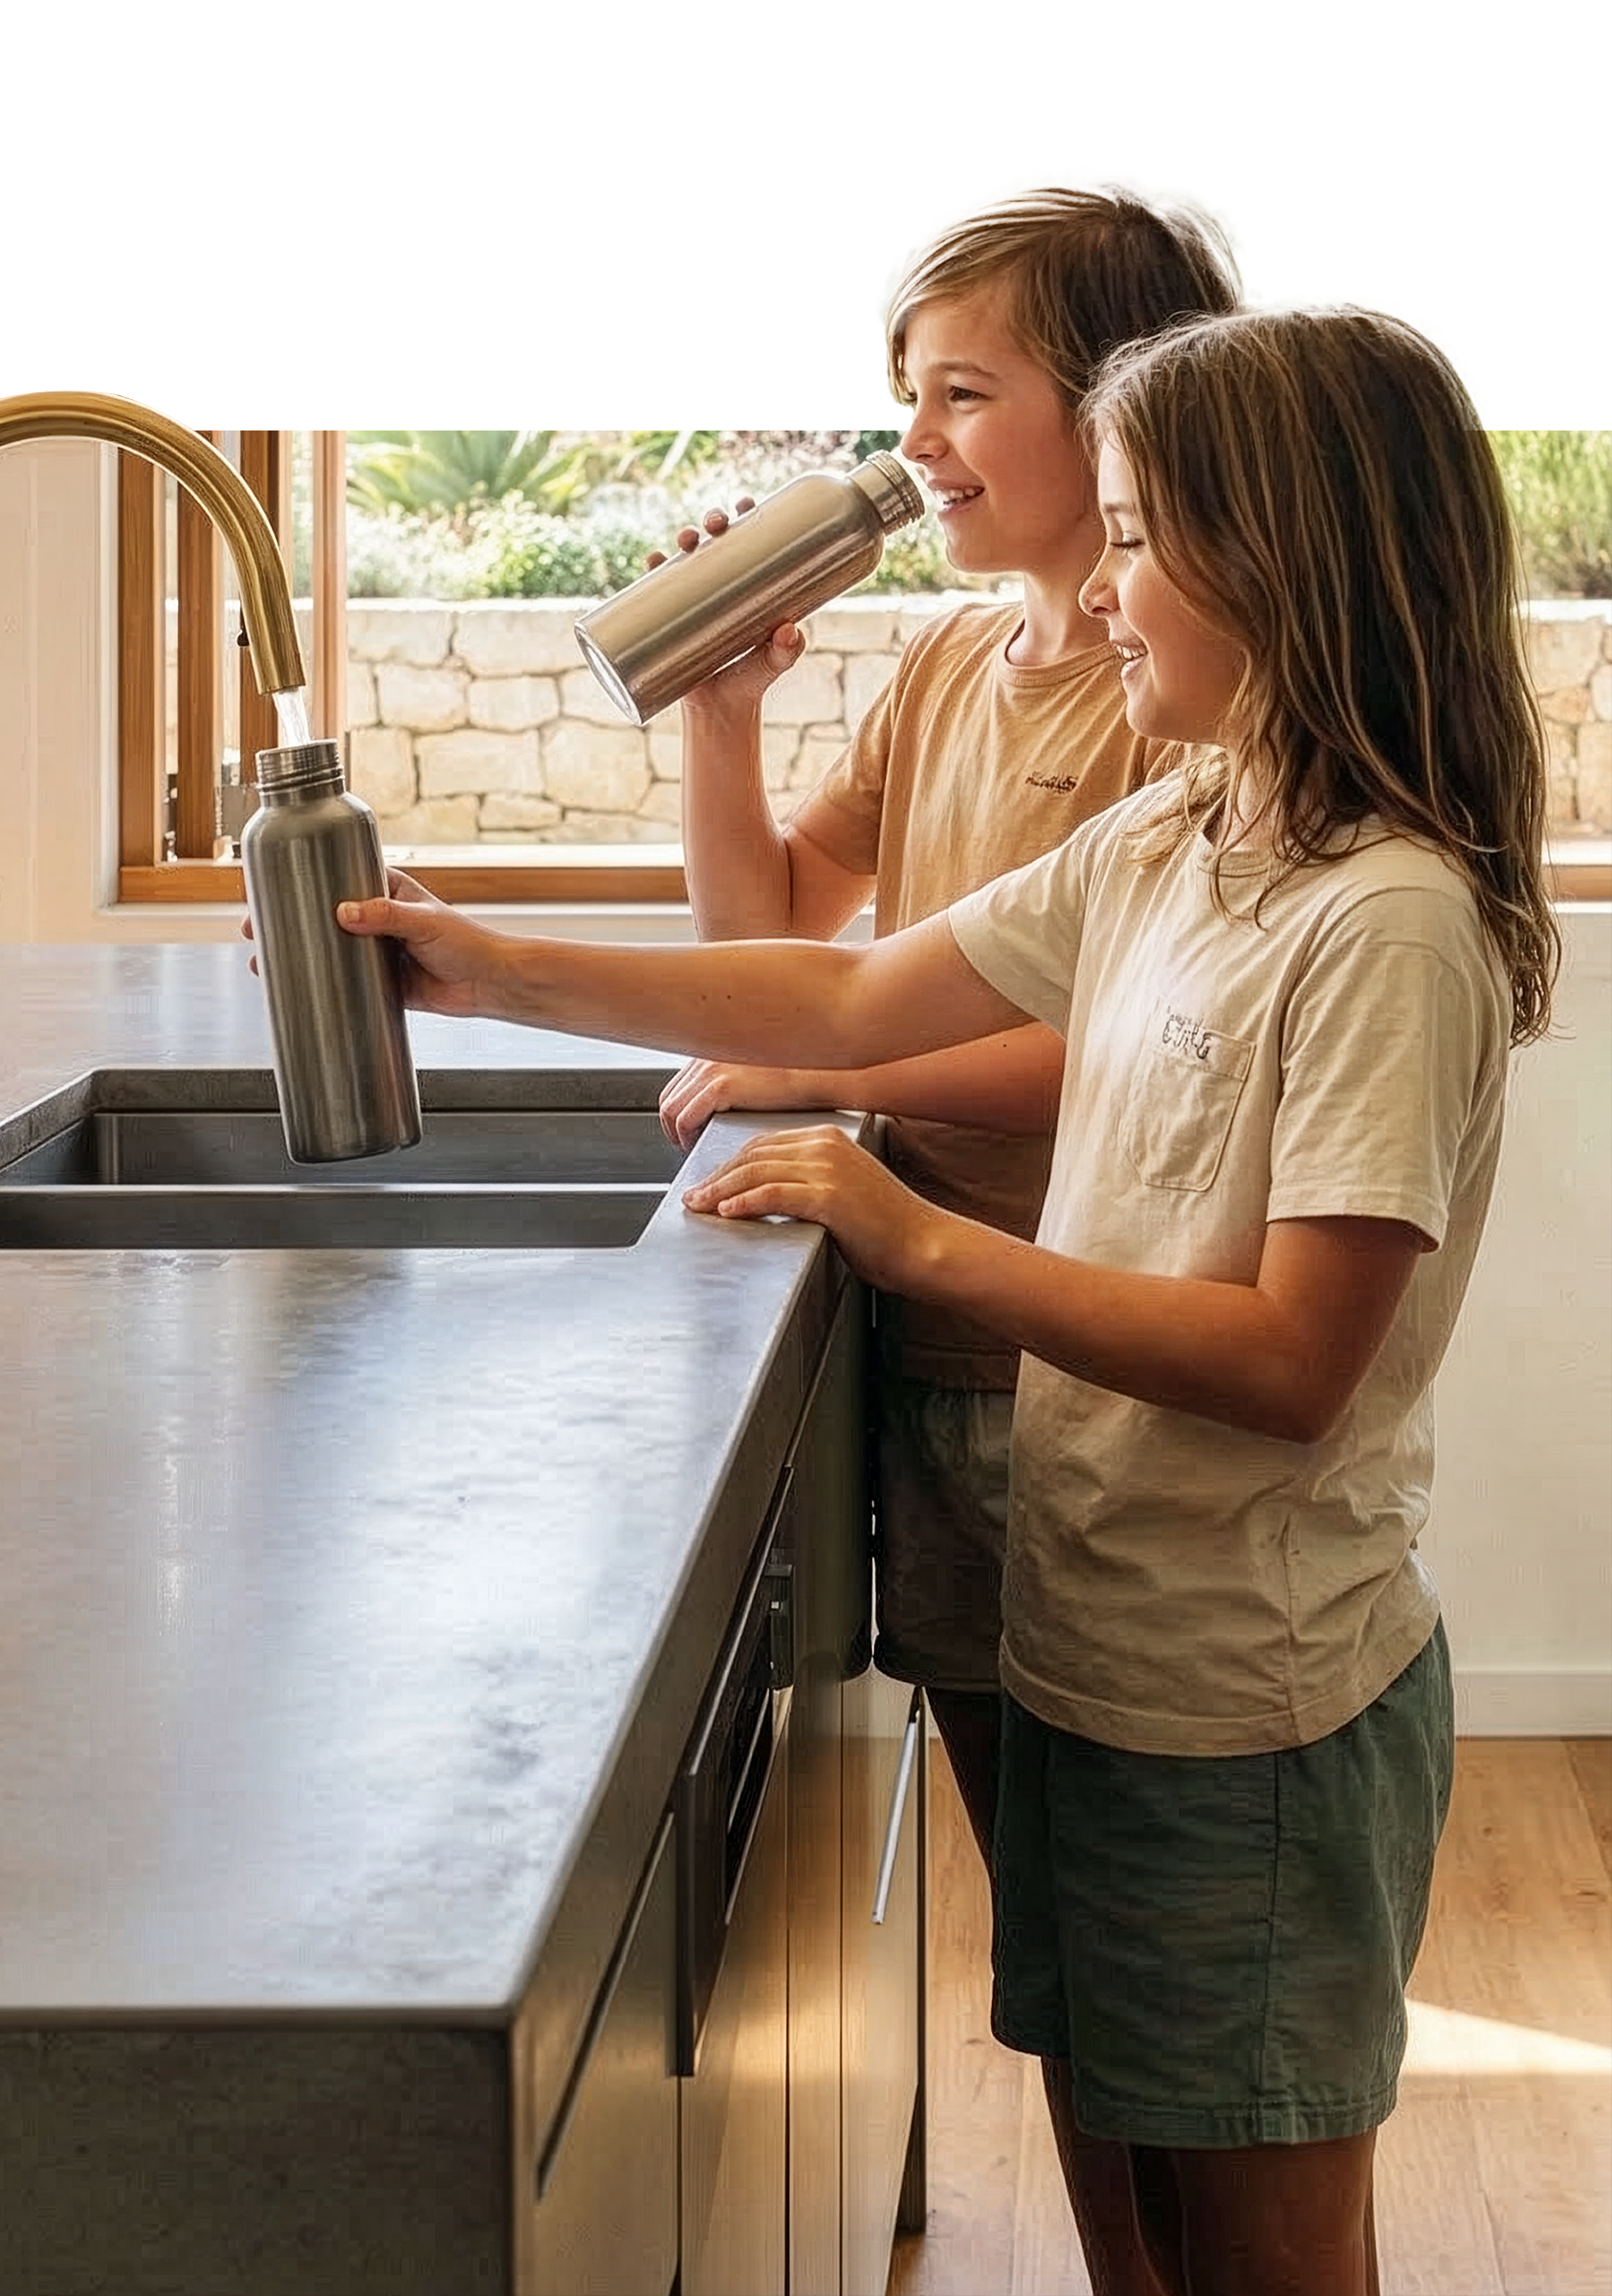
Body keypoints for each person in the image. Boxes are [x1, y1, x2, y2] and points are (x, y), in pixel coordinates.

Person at [331, 295, 1561, 2294]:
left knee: (1262, 2234)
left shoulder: (1387, 925)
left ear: (1291, 567)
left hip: (1245, 1705)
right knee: (1147, 2188)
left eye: (1147, 538)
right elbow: (843, 991)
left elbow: (1293, 1362)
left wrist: (921, 1240)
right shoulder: (1193, 830)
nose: (1103, 591)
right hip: (1114, 1650)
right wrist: (488, 970)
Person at [655, 170, 1251, 1878]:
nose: (916, 440)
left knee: (1127, 1907)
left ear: (1130, 397)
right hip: (927, 1341)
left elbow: (1126, 1046)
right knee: (1049, 1932)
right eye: (909, 394)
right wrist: (720, 714)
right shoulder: (941, 666)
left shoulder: (1186, 712)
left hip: (1066, 1352)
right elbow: (766, 939)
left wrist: (829, 1061)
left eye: (965, 394)